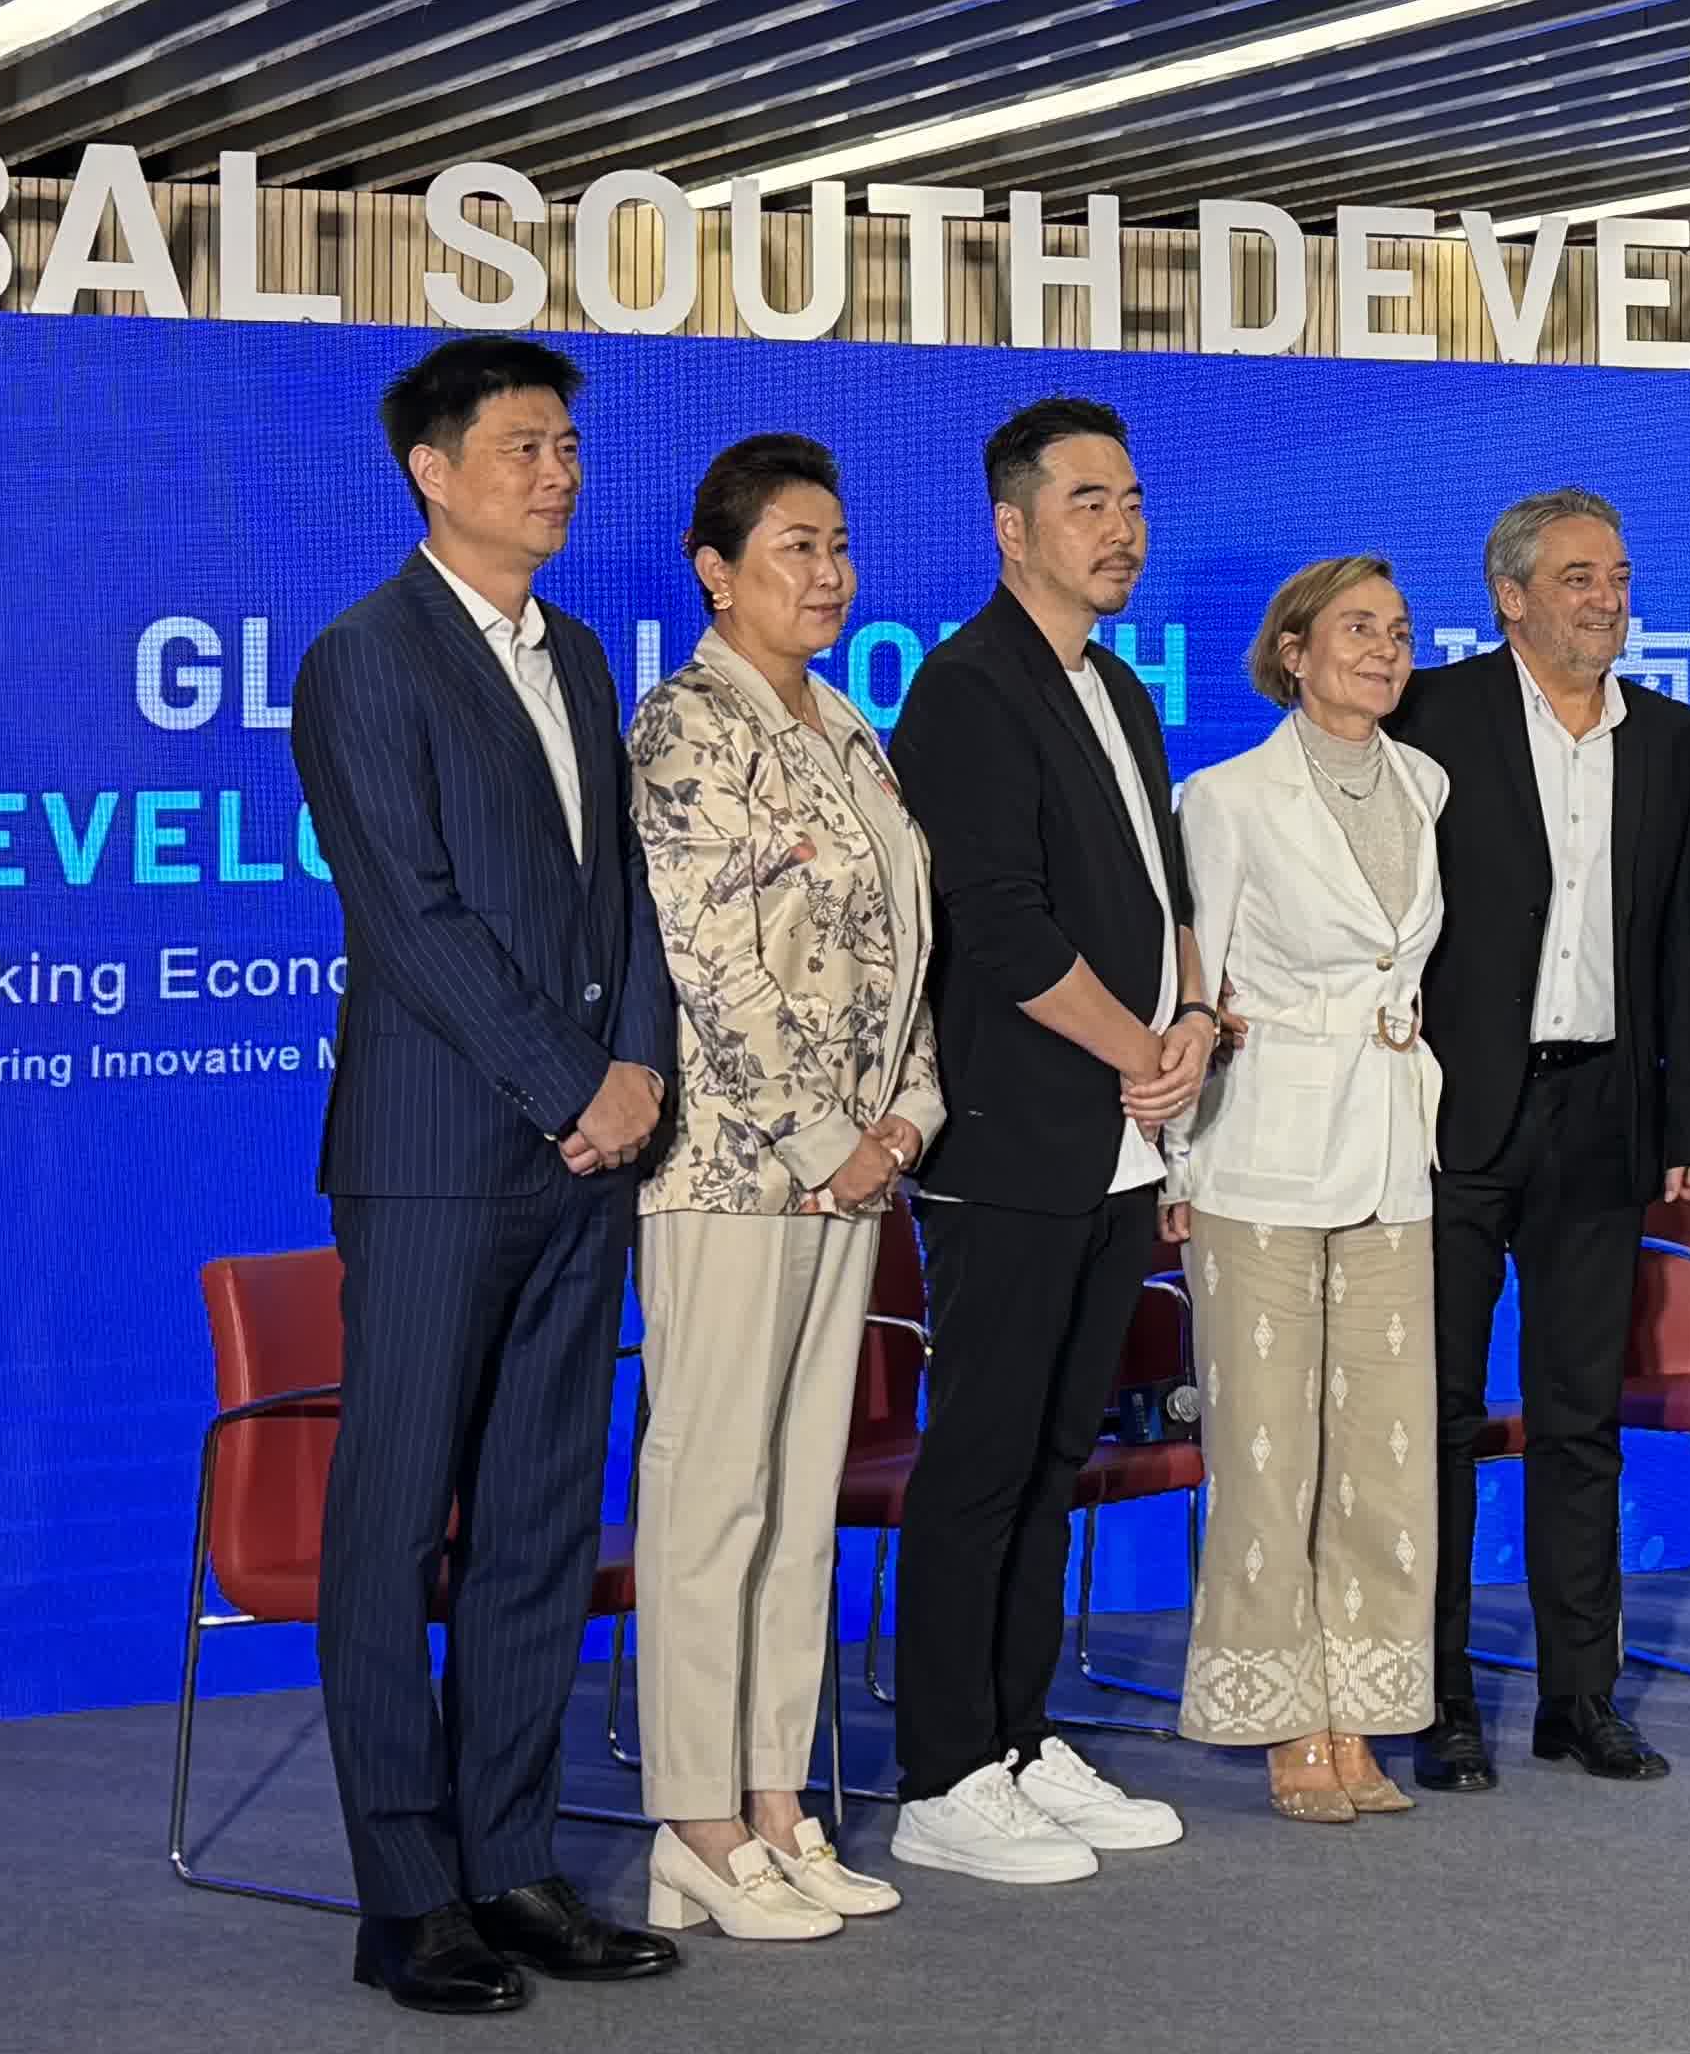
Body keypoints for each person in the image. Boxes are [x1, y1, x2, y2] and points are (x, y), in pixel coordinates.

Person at [284, 335, 684, 2014]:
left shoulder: (577, 654)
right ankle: (407, 1891)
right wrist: (571, 1081)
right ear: (431, 471)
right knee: (395, 1525)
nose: (558, 470)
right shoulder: (363, 658)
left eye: (567, 444)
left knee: (537, 1517)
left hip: (589, 1152)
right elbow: (412, 916)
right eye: (524, 445)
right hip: (440, 1156)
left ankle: (512, 1860)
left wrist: (637, 1068)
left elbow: (624, 898)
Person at [883, 397, 1211, 1887]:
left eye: (1131, 500)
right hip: (1015, 1139)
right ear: (1011, 527)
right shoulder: (967, 689)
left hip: (1119, 1143)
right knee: (981, 1462)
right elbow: (1002, 930)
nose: (1122, 528)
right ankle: (944, 1771)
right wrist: (1142, 1050)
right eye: (1090, 503)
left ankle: (1018, 1740)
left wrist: (1191, 1022)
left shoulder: (1119, 686)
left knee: (1059, 1455)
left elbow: (1167, 897)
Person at [616, 428, 936, 1948]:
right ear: (715, 571)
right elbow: (710, 963)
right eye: (795, 547)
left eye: (838, 545)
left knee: (804, 1497)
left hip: (859, 1171)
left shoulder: (847, 725)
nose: (828, 573)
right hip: (735, 1171)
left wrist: (909, 1116)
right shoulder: (687, 726)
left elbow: (906, 944)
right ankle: (692, 1821)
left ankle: (775, 1801)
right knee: (714, 1493)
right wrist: (824, 1138)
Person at [1390, 489, 1690, 1791]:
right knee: (1440, 1420)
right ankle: (1437, 1698)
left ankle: (1583, 1696)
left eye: (1618, 576)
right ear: (1511, 597)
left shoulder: (1678, 741)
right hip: (1454, 1113)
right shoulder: (1428, 717)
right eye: (1579, 578)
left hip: (1604, 1113)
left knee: (1582, 1418)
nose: (1607, 599)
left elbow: (1689, 945)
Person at [1169, 555, 1452, 1824]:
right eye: (1356, 629)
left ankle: (1362, 1706)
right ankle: (1279, 1715)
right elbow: (1196, 986)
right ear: (1293, 651)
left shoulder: (1425, 783)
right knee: (1267, 1453)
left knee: (1386, 1451)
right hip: (1261, 1147)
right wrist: (1178, 1163)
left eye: (1398, 630)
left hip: (1391, 1144)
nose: (1385, 650)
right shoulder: (1227, 798)